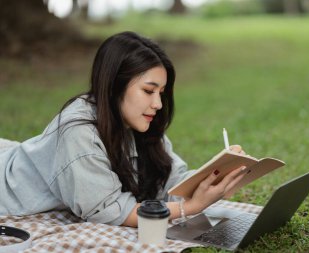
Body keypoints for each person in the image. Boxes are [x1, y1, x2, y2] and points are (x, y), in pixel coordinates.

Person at [0, 31, 247, 227]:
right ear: (115, 85)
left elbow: (171, 182)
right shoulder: (78, 132)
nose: (158, 104)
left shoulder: (140, 123)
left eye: (161, 93)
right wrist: (189, 208)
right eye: (149, 91)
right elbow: (109, 210)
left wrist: (216, 175)